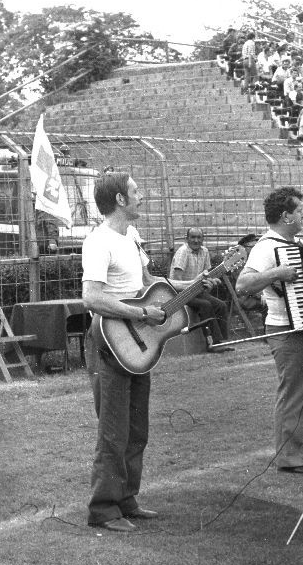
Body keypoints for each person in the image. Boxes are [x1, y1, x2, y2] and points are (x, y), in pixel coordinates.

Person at [82, 172, 216, 532]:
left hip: (136, 347)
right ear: (120, 200)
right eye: (136, 191)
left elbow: (149, 287)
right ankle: (103, 509)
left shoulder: (133, 237)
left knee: (136, 429)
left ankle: (126, 499)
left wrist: (197, 283)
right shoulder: (98, 241)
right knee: (113, 430)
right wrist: (141, 314)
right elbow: (92, 297)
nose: (143, 195)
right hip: (110, 341)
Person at [236, 187, 303, 474]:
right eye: (299, 211)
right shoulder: (266, 246)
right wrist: (278, 273)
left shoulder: (293, 242)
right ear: (286, 216)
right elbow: (243, 285)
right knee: (294, 392)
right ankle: (291, 457)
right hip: (286, 328)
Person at [169, 228, 233, 352]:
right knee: (206, 305)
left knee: (221, 305)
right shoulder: (183, 252)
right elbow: (177, 280)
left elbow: (207, 275)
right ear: (186, 239)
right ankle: (212, 343)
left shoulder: (205, 251)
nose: (196, 240)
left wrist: (210, 284)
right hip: (179, 293)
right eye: (192, 237)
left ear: (203, 239)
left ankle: (221, 342)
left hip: (196, 292)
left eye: (199, 238)